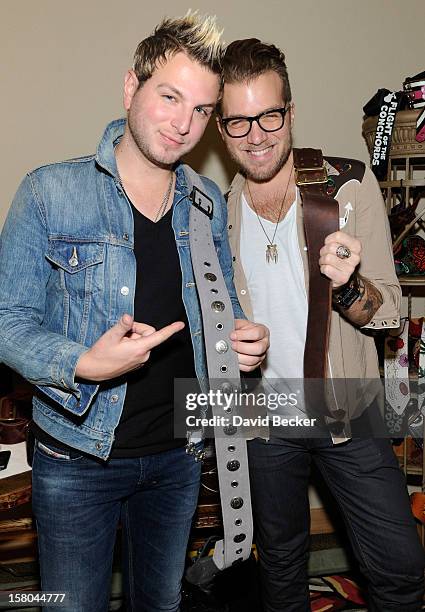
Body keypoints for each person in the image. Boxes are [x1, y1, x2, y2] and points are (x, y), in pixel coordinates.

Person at [0, 16, 270, 612]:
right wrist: (83, 362)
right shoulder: (48, 193)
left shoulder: (203, 204)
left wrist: (241, 342)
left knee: (162, 604)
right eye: (169, 97)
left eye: (200, 110)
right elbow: (6, 321)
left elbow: (215, 316)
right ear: (131, 88)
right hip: (76, 459)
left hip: (179, 458)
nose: (182, 124)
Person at [217, 38, 424, 612]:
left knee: (400, 566)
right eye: (238, 122)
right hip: (259, 410)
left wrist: (350, 286)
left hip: (344, 403)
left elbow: (391, 314)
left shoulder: (347, 189)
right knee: (280, 563)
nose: (256, 135)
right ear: (220, 127)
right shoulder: (214, 210)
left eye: (269, 116)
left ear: (291, 112)